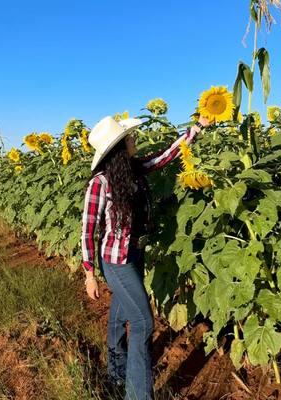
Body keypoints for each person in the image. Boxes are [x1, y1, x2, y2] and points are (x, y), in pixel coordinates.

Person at [81, 115, 209, 400]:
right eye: (128, 138)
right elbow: (87, 229)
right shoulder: (99, 183)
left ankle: (116, 375)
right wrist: (89, 273)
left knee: (120, 315)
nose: (133, 139)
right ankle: (137, 395)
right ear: (118, 147)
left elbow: (165, 156)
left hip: (135, 253)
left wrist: (197, 129)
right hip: (115, 262)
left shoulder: (133, 171)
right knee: (143, 323)